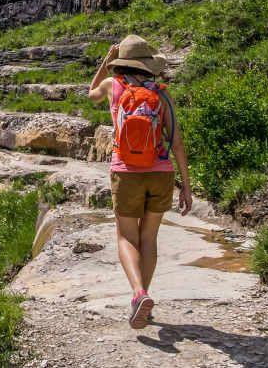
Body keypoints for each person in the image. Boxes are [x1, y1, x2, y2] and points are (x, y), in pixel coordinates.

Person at [88, 34, 194, 330]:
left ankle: (139, 294)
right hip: (161, 172)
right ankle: (142, 300)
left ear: (120, 62)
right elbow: (178, 142)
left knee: (125, 237)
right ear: (148, 65)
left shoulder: (113, 86)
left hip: (126, 172)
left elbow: (90, 93)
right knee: (148, 238)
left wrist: (105, 64)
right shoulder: (161, 93)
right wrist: (186, 186)